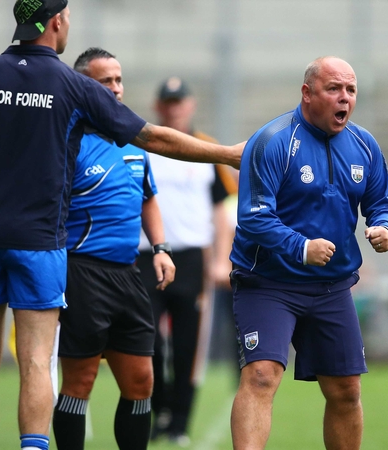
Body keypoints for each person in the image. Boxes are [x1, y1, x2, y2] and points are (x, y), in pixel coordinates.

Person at [0, 2, 240, 449]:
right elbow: (154, 137)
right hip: (41, 243)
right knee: (36, 362)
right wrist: (227, 153)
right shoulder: (70, 84)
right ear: (57, 22)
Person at [229, 56, 388, 450]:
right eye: (334, 89)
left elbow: (384, 204)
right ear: (307, 94)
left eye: (351, 90)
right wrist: (301, 247)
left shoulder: (364, 145)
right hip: (267, 283)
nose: (345, 98)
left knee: (346, 391)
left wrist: (387, 229)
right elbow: (253, 218)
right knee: (261, 376)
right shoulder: (272, 141)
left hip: (332, 288)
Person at [50, 47, 175, 450]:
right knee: (81, 381)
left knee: (142, 381)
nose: (117, 89)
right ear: (84, 86)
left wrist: (160, 247)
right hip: (82, 272)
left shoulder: (132, 141)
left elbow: (148, 198)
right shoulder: (68, 141)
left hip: (128, 272)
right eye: (107, 81)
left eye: (120, 80)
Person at [139, 77, 237, 446]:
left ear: (190, 105)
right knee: (147, 341)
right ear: (158, 106)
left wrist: (221, 258)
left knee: (188, 346)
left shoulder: (206, 149)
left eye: (180, 101)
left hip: (193, 258)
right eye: (168, 102)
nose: (174, 108)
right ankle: (158, 409)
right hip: (147, 256)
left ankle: (179, 423)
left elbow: (221, 209)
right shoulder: (142, 147)